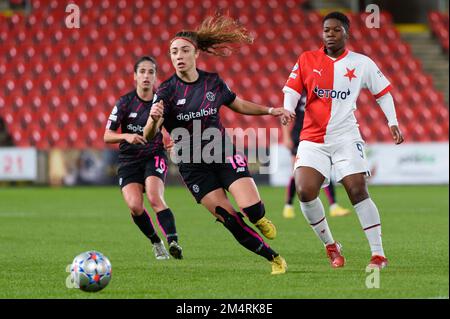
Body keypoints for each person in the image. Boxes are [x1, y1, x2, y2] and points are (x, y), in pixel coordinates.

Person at [144, 14, 294, 275]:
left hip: (222, 152)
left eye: (184, 51)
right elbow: (149, 134)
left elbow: (238, 103)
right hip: (193, 167)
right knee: (229, 219)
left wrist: (271, 110)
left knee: (251, 208)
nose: (178, 56)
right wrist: (154, 120)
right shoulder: (166, 92)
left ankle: (259, 217)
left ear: (196, 53)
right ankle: (274, 259)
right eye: (173, 52)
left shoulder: (212, 82)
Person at [282, 12, 404, 269]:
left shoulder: (361, 63)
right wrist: (288, 109)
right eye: (326, 29)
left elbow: (383, 93)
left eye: (336, 30)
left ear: (346, 33)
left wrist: (392, 122)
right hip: (312, 138)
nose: (330, 34)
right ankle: (330, 245)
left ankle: (378, 254)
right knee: (305, 191)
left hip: (346, 137)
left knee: (357, 189)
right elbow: (292, 89)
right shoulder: (307, 59)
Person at [104, 56, 183, 261]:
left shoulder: (162, 103)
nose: (146, 76)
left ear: (155, 76)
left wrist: (172, 141)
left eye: (151, 72)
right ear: (135, 76)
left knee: (155, 198)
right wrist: (125, 135)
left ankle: (173, 241)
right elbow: (107, 135)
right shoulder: (124, 102)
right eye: (142, 72)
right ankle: (156, 242)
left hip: (153, 155)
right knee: (135, 206)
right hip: (129, 160)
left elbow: (173, 129)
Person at [281, 95, 350, 218]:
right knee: (296, 173)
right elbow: (285, 114)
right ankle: (288, 206)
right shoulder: (297, 94)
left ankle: (334, 206)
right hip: (299, 137)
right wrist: (286, 137)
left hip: (317, 136)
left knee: (325, 171)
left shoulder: (321, 91)